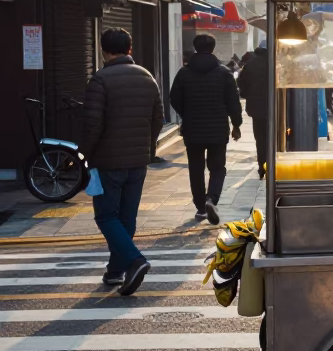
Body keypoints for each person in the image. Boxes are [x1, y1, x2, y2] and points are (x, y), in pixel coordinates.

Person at [82, 27, 163, 296]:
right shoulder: (147, 77)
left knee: (106, 215)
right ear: (130, 48)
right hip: (138, 161)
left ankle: (135, 260)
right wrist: (147, 148)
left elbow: (92, 124)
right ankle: (115, 271)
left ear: (104, 50)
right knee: (126, 218)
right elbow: (158, 119)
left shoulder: (100, 80)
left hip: (109, 161)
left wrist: (84, 153)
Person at [170, 34, 243, 225]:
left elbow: (174, 98)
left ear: (195, 47)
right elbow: (233, 102)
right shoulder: (224, 73)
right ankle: (212, 198)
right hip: (218, 129)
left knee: (196, 168)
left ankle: (201, 206)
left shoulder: (183, 73)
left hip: (193, 129)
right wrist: (236, 124)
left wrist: (186, 113)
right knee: (217, 167)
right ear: (213, 47)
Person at [237, 39, 270, 179]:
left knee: (260, 139)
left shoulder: (250, 65)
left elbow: (241, 84)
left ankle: (262, 166)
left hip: (256, 109)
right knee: (274, 138)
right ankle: (273, 165)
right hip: (276, 109)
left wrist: (248, 95)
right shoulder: (277, 63)